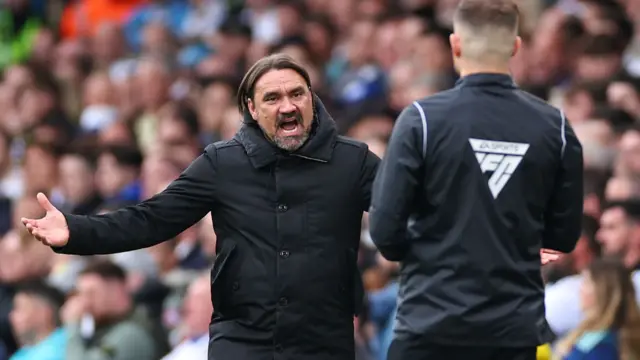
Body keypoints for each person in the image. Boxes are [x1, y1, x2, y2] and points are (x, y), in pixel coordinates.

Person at [21, 53, 380, 360]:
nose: (287, 106)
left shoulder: (353, 161)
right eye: (272, 98)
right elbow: (153, 219)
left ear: (311, 100)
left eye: (297, 94)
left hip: (323, 342)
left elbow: (405, 209)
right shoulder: (222, 163)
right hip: (243, 341)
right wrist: (76, 231)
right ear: (252, 109)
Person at [369, 1, 584, 360]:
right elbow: (563, 235)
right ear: (515, 47)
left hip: (430, 323)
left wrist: (432, 258)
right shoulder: (556, 128)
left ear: (456, 45)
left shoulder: (421, 120)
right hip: (512, 329)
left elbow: (385, 229)